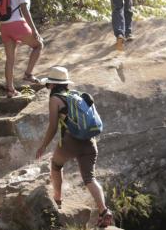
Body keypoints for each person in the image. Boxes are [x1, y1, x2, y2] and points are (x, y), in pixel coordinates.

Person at [35, 66, 113, 228]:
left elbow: (53, 126)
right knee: (89, 178)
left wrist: (43, 145)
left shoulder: (55, 99)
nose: (47, 86)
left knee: (56, 165)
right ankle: (104, 211)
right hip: (90, 141)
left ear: (52, 84)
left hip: (70, 142)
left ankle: (57, 200)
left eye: (48, 84)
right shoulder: (76, 95)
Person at [0, 0, 43, 98]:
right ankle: (28, 74)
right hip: (18, 24)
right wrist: (34, 30)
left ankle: (10, 90)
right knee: (39, 45)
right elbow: (24, 10)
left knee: (10, 60)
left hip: (4, 26)